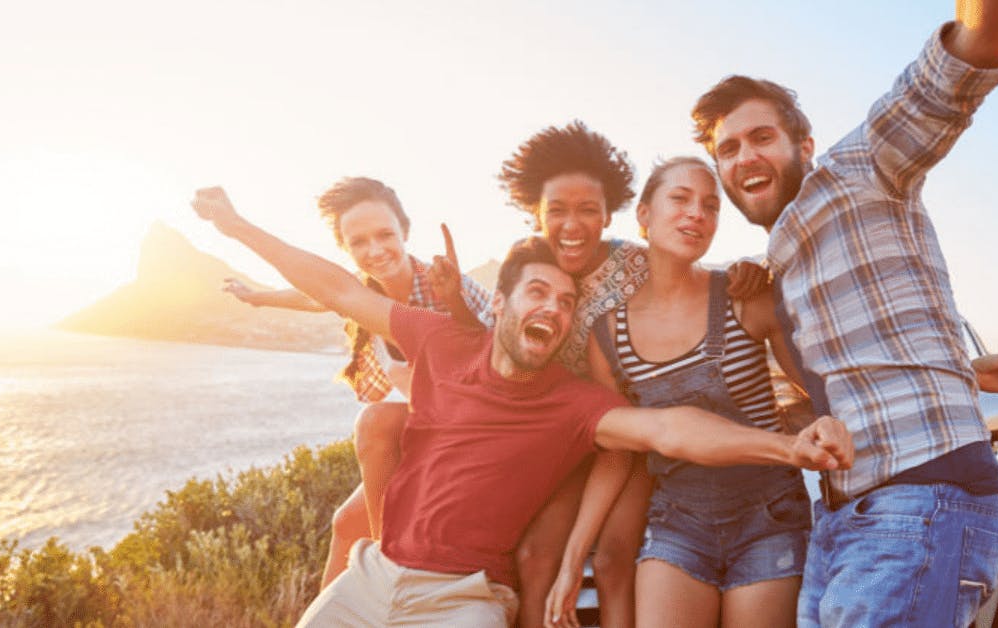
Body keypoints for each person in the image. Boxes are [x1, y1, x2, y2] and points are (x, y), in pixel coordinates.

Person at [190, 189, 854, 626]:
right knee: (377, 427)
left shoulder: (571, 403)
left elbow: (670, 429)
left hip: (463, 602)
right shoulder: (440, 340)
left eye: (566, 304)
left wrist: (788, 448)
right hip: (373, 577)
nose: (554, 310)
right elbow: (336, 288)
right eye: (538, 293)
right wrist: (236, 224)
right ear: (500, 303)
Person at [689, 1, 998, 625]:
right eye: (727, 149)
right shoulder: (773, 268)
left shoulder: (862, 168)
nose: (744, 156)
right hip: (839, 521)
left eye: (761, 137)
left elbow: (976, 48)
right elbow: (850, 381)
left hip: (923, 501)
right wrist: (966, 369)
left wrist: (985, 24)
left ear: (804, 144)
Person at [498, 121, 769, 627]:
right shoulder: (530, 269)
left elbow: (693, 279)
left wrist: (746, 271)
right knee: (535, 556)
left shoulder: (637, 263)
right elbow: (493, 332)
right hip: (574, 440)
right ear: (535, 212)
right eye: (557, 210)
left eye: (588, 210)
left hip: (639, 435)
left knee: (611, 557)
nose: (573, 225)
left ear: (610, 213)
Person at [544, 157, 815, 628]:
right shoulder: (608, 335)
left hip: (768, 514)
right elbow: (617, 452)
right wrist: (570, 563)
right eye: (680, 199)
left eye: (710, 206)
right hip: (677, 521)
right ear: (644, 215)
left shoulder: (745, 295)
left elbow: (822, 386)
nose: (697, 214)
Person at [222, 177, 494, 588]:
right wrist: (257, 297)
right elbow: (315, 296)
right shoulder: (361, 290)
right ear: (346, 249)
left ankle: (389, 572)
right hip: (430, 426)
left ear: (404, 232)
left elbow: (502, 359)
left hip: (480, 431)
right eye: (359, 242)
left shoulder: (447, 286)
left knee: (377, 422)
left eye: (385, 235)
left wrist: (455, 303)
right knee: (347, 523)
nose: (375, 250)